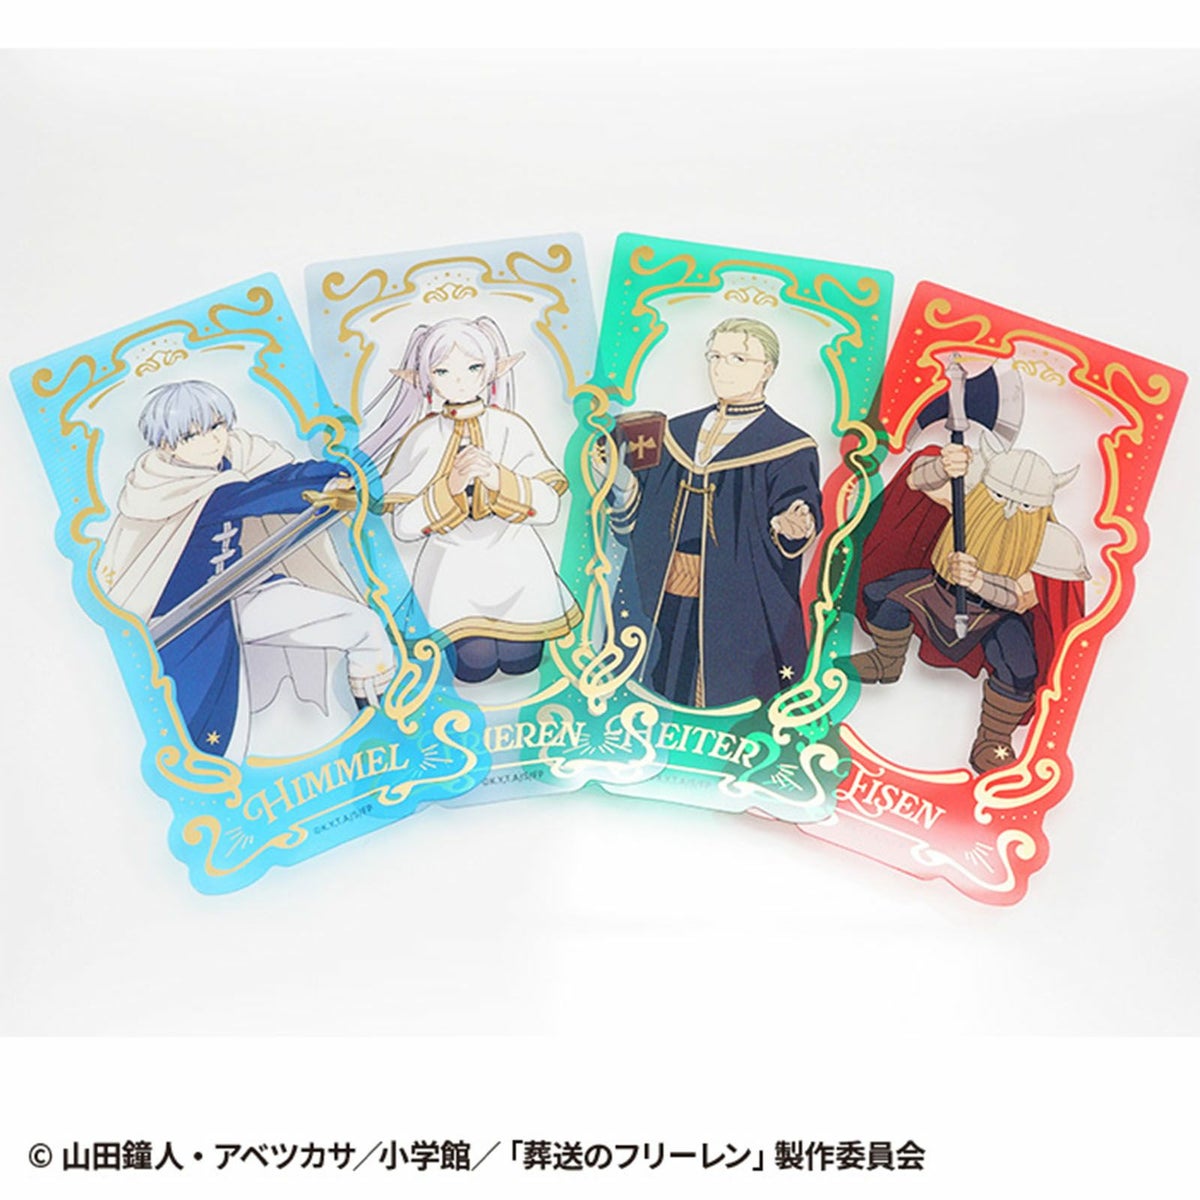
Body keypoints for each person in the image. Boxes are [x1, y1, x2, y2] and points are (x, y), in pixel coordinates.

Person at [98, 380, 395, 761]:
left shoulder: (239, 456)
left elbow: (276, 476)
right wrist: (322, 484)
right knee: (213, 730)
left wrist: (336, 474)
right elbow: (255, 497)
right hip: (188, 618)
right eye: (191, 436)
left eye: (216, 426)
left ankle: (383, 722)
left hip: (243, 590)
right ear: (168, 445)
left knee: (363, 625)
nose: (210, 441)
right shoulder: (161, 489)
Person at [602, 317, 823, 708]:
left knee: (723, 696)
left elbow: (798, 508)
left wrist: (792, 524)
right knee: (652, 681)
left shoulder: (789, 446)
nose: (721, 368)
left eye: (738, 358)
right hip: (662, 590)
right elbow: (641, 512)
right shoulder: (676, 432)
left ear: (768, 369)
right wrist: (620, 482)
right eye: (715, 357)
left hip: (735, 599)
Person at [848, 431, 1089, 773]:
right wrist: (942, 467)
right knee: (882, 595)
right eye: (998, 496)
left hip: (995, 614)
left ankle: (993, 739)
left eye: (1025, 506)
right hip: (937, 588)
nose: (1008, 510)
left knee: (1019, 666)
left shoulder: (1049, 542)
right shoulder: (968, 496)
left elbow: (1024, 597)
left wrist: (980, 582)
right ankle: (886, 660)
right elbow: (917, 482)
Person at [369, 316, 581, 684]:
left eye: (473, 367)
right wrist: (449, 488)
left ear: (491, 370)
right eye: (443, 371)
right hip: (453, 575)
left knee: (522, 665)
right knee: (474, 670)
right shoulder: (424, 437)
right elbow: (404, 527)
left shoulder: (511, 428)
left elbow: (549, 508)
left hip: (519, 569)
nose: (460, 380)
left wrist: (499, 479)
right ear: (426, 378)